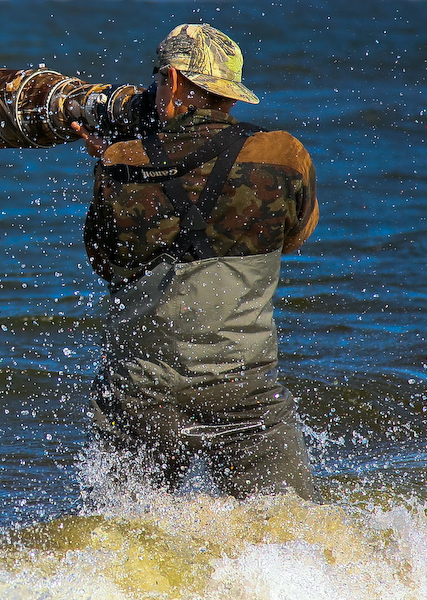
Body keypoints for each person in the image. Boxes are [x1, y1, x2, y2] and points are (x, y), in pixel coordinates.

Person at [71, 24, 320, 501]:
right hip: (243, 393)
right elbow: (295, 236)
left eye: (157, 79)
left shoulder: (121, 161)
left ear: (175, 82)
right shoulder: (283, 154)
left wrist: (109, 165)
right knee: (287, 535)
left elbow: (104, 261)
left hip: (141, 392)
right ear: (226, 92)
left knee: (126, 543)